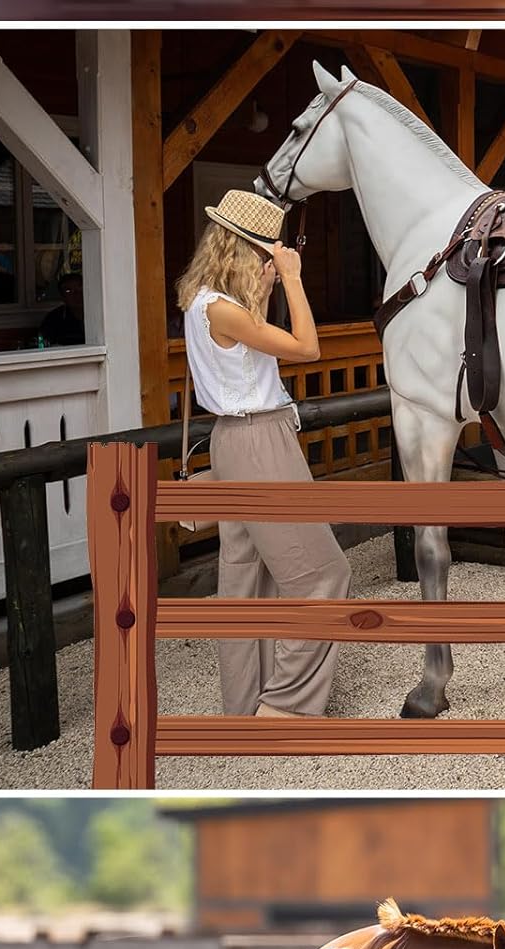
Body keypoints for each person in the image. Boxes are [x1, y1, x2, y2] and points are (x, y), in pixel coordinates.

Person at [174, 189, 351, 718]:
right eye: (266, 254)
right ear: (244, 250)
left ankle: (245, 701)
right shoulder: (225, 310)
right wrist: (293, 279)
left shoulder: (201, 303)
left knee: (248, 577)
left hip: (230, 441)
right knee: (324, 576)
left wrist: (268, 287)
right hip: (259, 442)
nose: (271, 263)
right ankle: (285, 707)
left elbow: (248, 357)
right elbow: (307, 348)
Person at [38, 271, 85, 346]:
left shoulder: (99, 312)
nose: (77, 295)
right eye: (69, 291)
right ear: (62, 297)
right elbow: (44, 344)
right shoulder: (54, 318)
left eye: (80, 289)